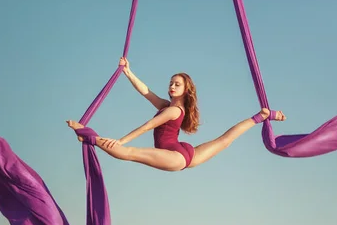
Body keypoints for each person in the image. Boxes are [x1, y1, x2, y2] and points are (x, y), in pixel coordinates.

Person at [66, 57, 286, 172]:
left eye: (177, 84)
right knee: (224, 141)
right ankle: (262, 116)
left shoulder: (172, 110)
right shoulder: (166, 105)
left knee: (129, 152)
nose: (171, 86)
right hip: (185, 152)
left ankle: (89, 136)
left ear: (185, 89)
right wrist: (127, 71)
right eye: (171, 83)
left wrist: (120, 141)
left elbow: (146, 127)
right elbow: (145, 91)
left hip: (176, 157)